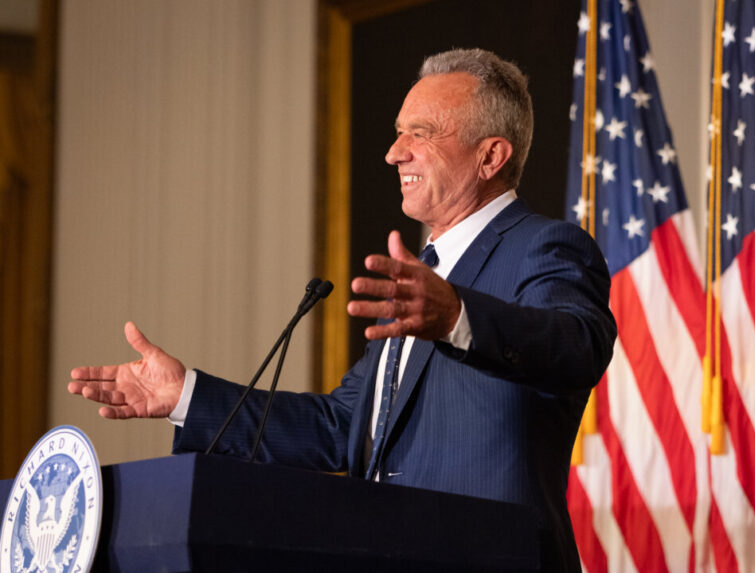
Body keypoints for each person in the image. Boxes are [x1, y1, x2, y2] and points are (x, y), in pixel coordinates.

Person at [68, 48, 616, 571]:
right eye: (398, 132)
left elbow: (575, 345)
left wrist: (455, 317)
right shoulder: (422, 278)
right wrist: (185, 394)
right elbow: (340, 427)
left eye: (419, 134)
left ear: (490, 156)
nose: (394, 152)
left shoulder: (545, 248)